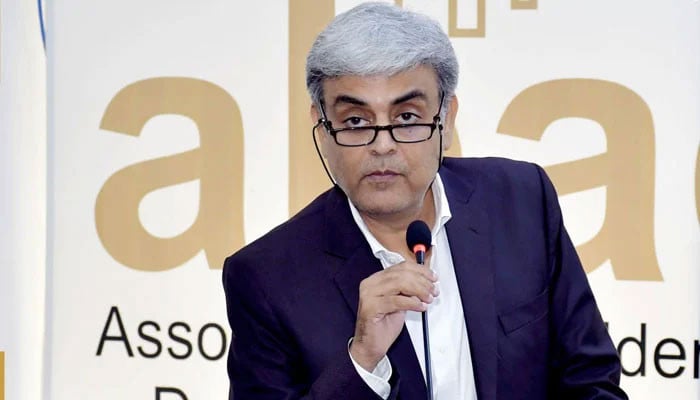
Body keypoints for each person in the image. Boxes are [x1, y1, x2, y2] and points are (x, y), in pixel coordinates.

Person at [222, 3, 627, 399]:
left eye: (407, 118)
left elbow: (590, 379)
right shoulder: (266, 279)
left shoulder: (521, 201)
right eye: (356, 121)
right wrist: (363, 362)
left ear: (446, 119)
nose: (382, 146)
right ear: (323, 129)